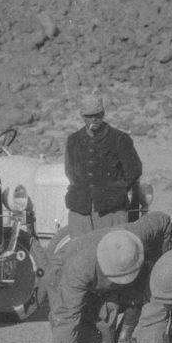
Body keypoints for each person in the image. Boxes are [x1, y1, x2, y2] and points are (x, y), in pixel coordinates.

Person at [47, 211, 172, 343]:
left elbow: (163, 219)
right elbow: (67, 311)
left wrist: (163, 251)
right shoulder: (79, 268)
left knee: (144, 281)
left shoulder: (137, 234)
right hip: (61, 276)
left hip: (102, 274)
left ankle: (124, 339)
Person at [64, 94, 143, 237]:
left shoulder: (119, 138)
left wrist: (115, 191)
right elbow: (70, 171)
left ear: (103, 114)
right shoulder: (73, 140)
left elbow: (134, 170)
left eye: (97, 115)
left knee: (112, 252)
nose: (94, 119)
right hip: (80, 209)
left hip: (111, 210)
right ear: (82, 116)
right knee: (80, 252)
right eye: (89, 116)